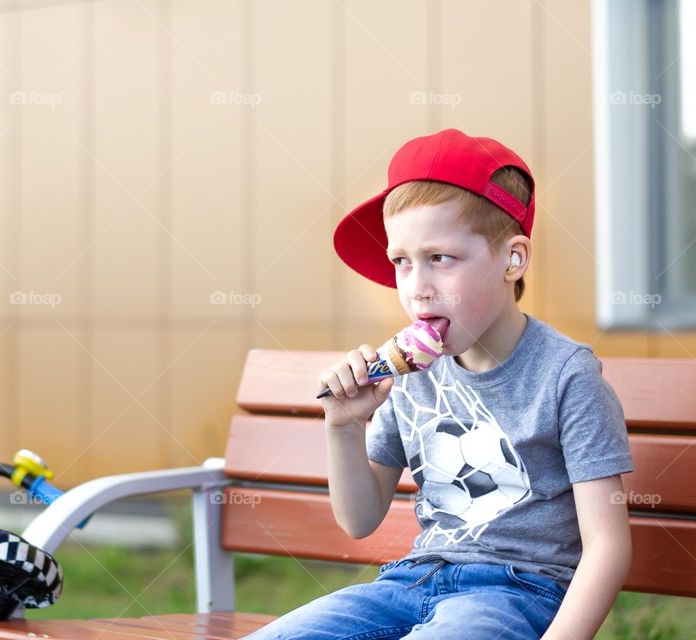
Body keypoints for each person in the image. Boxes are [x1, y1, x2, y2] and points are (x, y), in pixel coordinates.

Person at [243, 129, 634, 640]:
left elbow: (608, 546)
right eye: (401, 261)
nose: (416, 287)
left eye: (440, 258)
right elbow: (360, 519)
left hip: (520, 590)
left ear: (512, 259)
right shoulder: (409, 377)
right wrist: (343, 425)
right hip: (411, 580)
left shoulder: (565, 374)